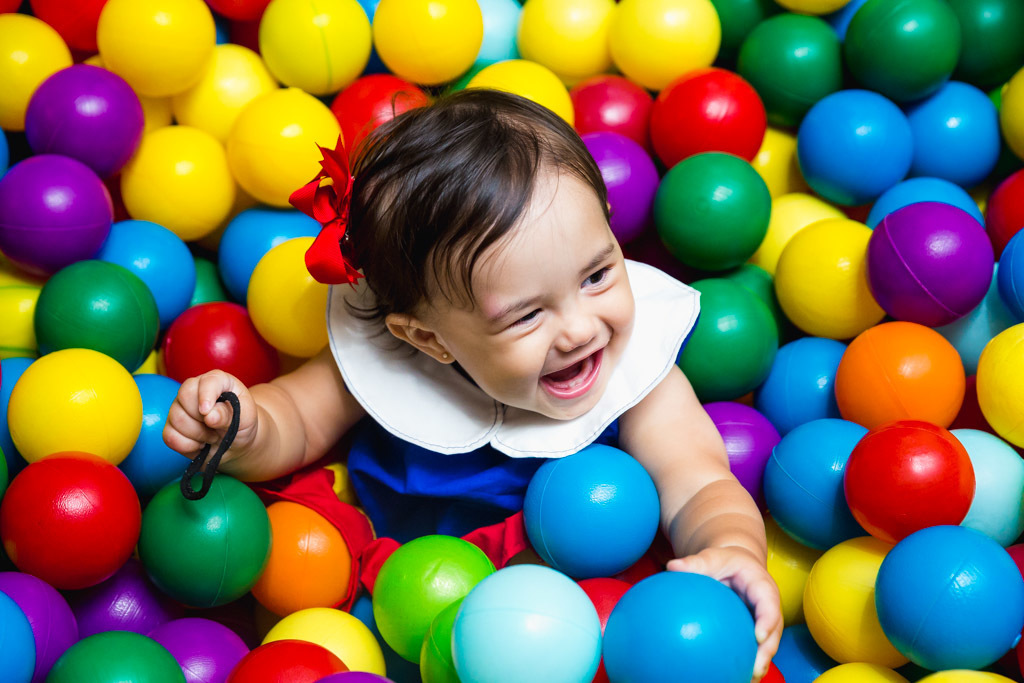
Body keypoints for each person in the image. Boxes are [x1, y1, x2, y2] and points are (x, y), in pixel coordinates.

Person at [164, 89, 782, 680]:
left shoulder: (638, 371)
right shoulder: (392, 361)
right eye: (527, 315)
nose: (579, 329)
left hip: (569, 600)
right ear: (429, 339)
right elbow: (296, 419)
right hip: (401, 590)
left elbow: (699, 482)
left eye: (597, 275)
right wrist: (244, 429)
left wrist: (731, 549)